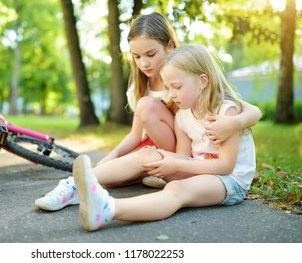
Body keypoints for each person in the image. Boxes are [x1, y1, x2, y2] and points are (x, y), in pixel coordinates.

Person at [34, 12, 261, 211]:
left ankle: (97, 192)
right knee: (120, 172)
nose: (143, 63)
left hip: (189, 160)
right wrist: (103, 163)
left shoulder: (191, 78)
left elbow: (248, 110)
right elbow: (135, 136)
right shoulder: (146, 89)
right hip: (176, 155)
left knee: (153, 166)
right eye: (137, 56)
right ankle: (75, 185)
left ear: (170, 46)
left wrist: (235, 123)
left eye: (151, 54)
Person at [72, 44, 257, 231]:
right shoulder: (182, 115)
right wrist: (166, 161)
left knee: (176, 189)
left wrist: (175, 165)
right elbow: (183, 155)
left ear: (202, 81)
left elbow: (225, 166)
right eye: (168, 87)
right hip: (201, 171)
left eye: (177, 87)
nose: (172, 94)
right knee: (148, 154)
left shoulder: (225, 112)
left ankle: (106, 210)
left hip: (229, 181)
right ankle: (77, 184)